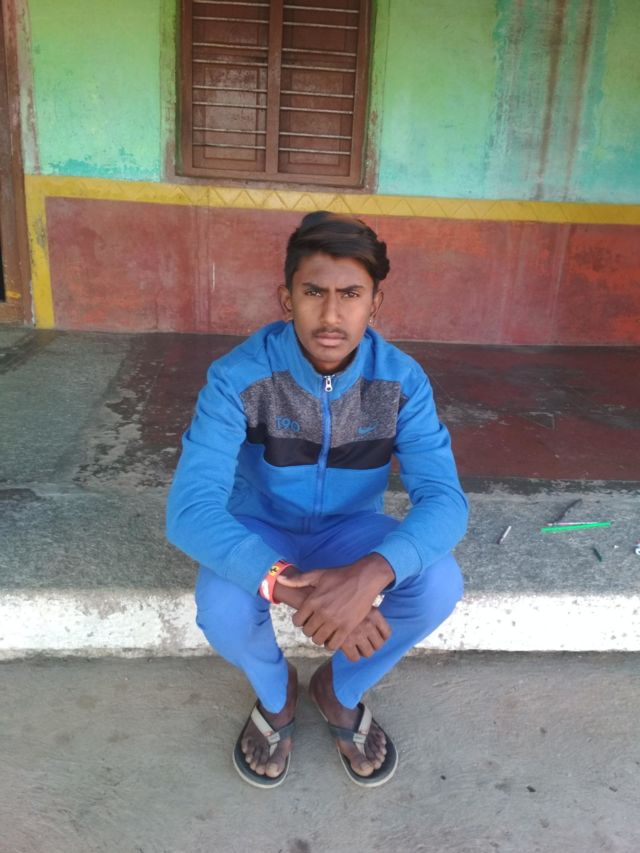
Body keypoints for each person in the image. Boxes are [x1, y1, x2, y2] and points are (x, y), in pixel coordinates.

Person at [166, 211, 468, 788]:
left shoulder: (402, 381)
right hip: (261, 528)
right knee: (223, 606)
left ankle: (339, 688)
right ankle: (276, 693)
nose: (331, 315)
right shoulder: (236, 377)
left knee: (438, 583)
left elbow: (445, 501)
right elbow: (189, 511)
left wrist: (368, 577)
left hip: (351, 530)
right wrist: (293, 586)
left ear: (375, 303)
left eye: (351, 294)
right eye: (313, 293)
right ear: (287, 299)